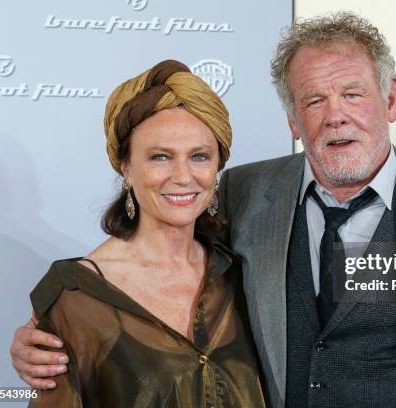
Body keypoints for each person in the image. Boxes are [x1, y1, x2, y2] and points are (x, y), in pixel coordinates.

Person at [11, 12, 396, 408]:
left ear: (390, 99)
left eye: (353, 94)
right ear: (293, 120)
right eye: (313, 101)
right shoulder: (247, 193)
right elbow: (151, 270)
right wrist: (53, 334)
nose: (335, 116)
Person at [22, 59, 265, 407]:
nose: (183, 176)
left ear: (217, 167)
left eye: (199, 156)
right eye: (160, 157)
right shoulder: (75, 296)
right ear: (126, 167)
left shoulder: (240, 273)